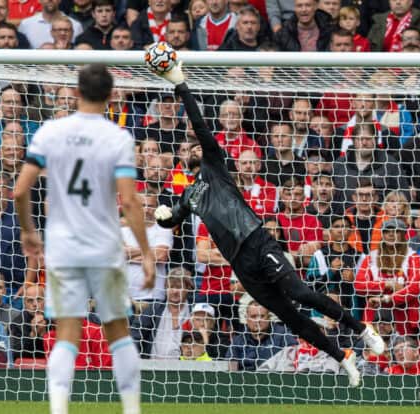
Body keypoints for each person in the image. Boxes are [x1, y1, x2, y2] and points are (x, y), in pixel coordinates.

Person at [152, 61, 385, 387]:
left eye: (195, 146)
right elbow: (172, 219)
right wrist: (163, 217)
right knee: (290, 318)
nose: (192, 147)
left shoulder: (214, 167)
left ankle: (361, 329)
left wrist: (180, 84)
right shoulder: (188, 196)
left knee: (300, 293)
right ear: (179, 155)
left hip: (257, 240)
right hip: (241, 265)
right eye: (185, 147)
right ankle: (342, 357)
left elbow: (200, 125)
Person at [14, 63, 156, 414]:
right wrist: (147, 252)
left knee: (66, 332)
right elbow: (129, 201)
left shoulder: (50, 131)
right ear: (111, 97)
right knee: (118, 332)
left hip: (63, 247)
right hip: (105, 247)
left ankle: (60, 409)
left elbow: (19, 190)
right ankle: (131, 409)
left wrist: (29, 231)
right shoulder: (118, 137)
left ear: (75, 92)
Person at [354, 219, 420, 336]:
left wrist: (387, 298)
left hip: (403, 317)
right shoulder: (371, 257)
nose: (391, 234)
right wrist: (387, 285)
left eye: (396, 231)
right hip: (374, 317)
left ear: (403, 234)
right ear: (382, 234)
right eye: (387, 231)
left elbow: (415, 288)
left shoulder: (413, 257)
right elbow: (359, 286)